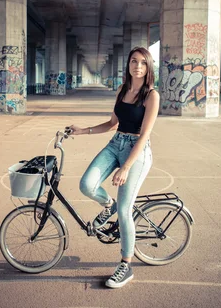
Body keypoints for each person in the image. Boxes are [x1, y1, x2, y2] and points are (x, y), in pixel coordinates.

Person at [67, 46, 160, 289]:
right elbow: (111, 124)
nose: (137, 66)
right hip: (116, 142)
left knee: (126, 211)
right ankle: (110, 206)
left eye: (142, 62)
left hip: (137, 151)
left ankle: (126, 265)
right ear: (128, 65)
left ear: (148, 67)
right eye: (133, 61)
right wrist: (83, 131)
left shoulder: (152, 96)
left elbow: (144, 135)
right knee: (86, 184)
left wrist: (126, 167)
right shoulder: (121, 90)